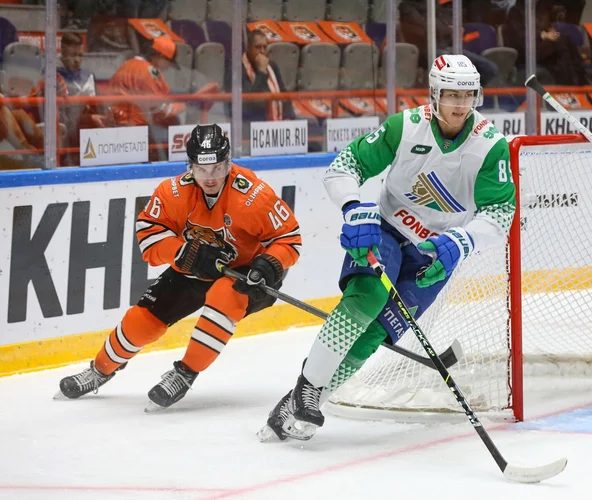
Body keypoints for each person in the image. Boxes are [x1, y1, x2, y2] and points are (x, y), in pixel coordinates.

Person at [260, 54, 516, 442]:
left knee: (373, 335)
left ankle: (300, 403)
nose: (460, 104)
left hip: (436, 253)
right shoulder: (405, 127)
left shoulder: (490, 145)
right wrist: (353, 208)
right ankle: (308, 387)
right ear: (434, 94)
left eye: (468, 95)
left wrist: (463, 241)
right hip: (388, 231)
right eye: (451, 94)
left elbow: (500, 213)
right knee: (366, 297)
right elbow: (344, 166)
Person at [56, 124, 303, 412]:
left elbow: (289, 239)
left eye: (217, 168)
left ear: (228, 163)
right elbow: (149, 235)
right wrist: (182, 252)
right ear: (190, 166)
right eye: (201, 169)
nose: (210, 178)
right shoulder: (173, 192)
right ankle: (99, 370)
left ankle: (184, 374)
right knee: (141, 321)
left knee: (224, 296)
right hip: (193, 271)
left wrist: (268, 265)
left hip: (246, 276)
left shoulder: (254, 195)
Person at [399, 0, 498, 86]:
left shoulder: (434, 4)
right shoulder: (407, 7)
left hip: (446, 47)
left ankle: (466, 94)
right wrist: (449, 30)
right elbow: (426, 31)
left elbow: (445, 26)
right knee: (454, 69)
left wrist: (450, 31)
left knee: (488, 68)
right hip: (425, 51)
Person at [58, 32, 105, 166]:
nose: (77, 60)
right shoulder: (53, 75)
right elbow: (61, 112)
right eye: (73, 55)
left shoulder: (88, 76)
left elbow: (98, 106)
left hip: (87, 129)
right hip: (66, 129)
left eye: (80, 55)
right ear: (63, 52)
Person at [238, 28, 295, 126]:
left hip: (277, 124)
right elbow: (251, 105)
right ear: (249, 48)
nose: (262, 51)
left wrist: (289, 118)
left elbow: (283, 94)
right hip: (252, 124)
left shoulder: (272, 66)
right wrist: (261, 72)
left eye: (265, 47)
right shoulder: (239, 69)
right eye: (258, 47)